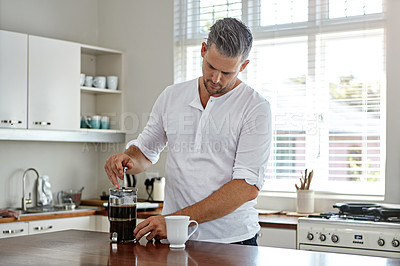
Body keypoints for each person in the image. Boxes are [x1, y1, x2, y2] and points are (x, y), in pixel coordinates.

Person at [104, 17, 272, 246]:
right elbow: (144, 153)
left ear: (243, 66)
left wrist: (173, 220)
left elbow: (245, 188)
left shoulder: (255, 108)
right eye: (211, 67)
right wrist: (127, 158)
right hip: (174, 239)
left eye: (227, 73)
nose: (216, 79)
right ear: (203, 50)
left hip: (231, 242)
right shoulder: (172, 96)